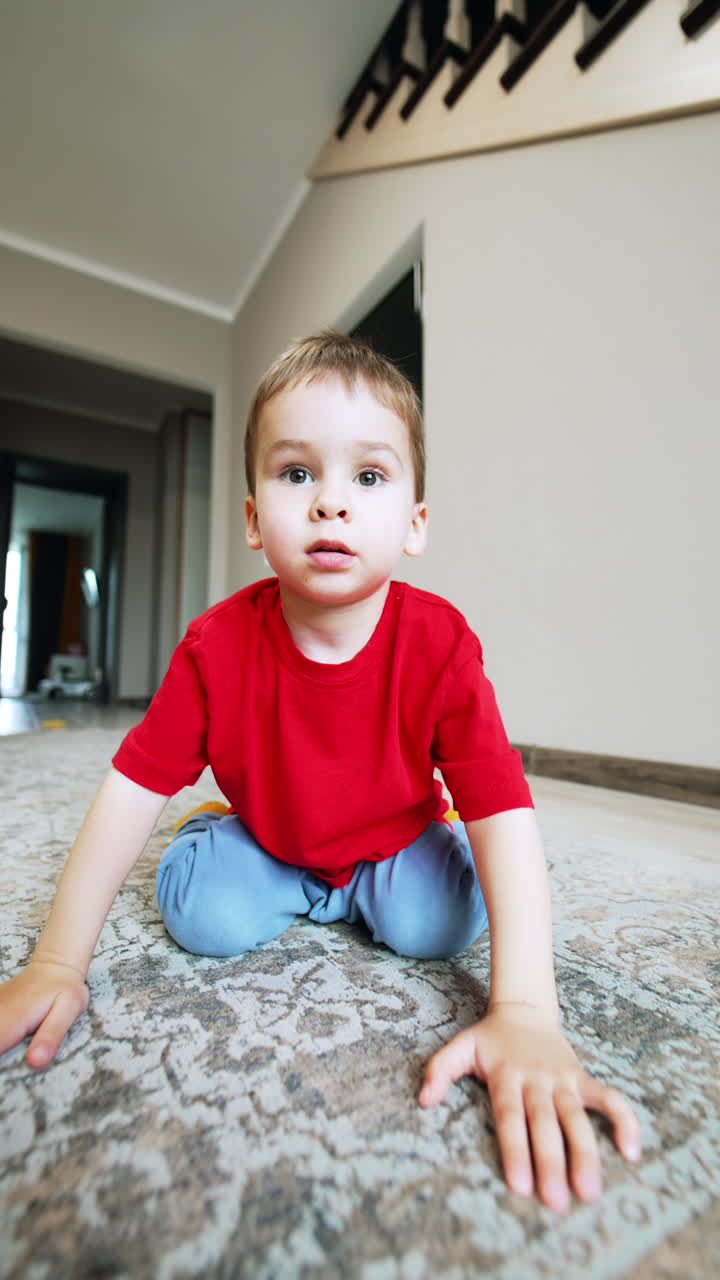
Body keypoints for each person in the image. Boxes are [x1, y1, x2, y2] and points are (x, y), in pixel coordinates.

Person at [0, 331, 641, 1213]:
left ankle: (371, 877)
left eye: (368, 477)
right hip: (272, 835)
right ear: (256, 518)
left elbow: (503, 808)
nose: (331, 503)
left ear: (415, 522)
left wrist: (528, 1013)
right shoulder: (215, 647)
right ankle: (223, 830)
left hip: (393, 837)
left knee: (449, 919)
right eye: (297, 473)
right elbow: (131, 787)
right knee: (201, 913)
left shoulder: (441, 642)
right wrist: (58, 959)